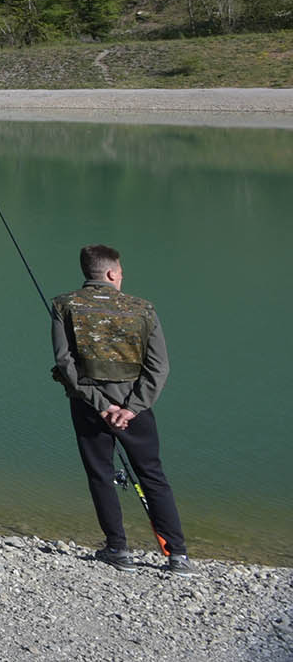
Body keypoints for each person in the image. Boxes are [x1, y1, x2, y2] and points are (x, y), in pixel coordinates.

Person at [50, 244, 192, 572]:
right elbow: (160, 368)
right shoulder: (144, 309)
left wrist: (101, 405)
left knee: (101, 474)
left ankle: (118, 549)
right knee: (152, 474)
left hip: (87, 406)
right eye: (121, 272)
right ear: (112, 273)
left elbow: (64, 362)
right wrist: (132, 407)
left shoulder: (63, 305)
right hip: (135, 409)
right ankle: (178, 556)